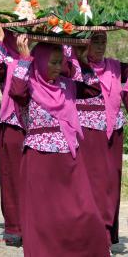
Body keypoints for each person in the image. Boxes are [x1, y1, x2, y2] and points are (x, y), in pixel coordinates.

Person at [8, 38, 108, 256]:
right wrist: (24, 58)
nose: (57, 67)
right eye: (52, 62)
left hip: (69, 158)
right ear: (40, 62)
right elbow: (15, 91)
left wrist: (83, 60)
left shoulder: (66, 85)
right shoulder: (29, 86)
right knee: (44, 215)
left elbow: (93, 89)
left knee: (83, 210)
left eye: (60, 62)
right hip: (40, 160)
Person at [75, 31, 128, 245]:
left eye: (103, 41)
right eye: (94, 41)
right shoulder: (74, 67)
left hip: (114, 132)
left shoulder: (116, 67)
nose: (99, 46)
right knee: (92, 182)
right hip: (87, 134)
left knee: (111, 182)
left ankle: (106, 233)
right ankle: (91, 235)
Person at [0, 22, 25, 246]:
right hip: (12, 123)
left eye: (24, 33)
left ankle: (36, 223)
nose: (21, 38)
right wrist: (0, 39)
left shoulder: (41, 57)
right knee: (11, 177)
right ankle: (14, 227)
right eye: (15, 33)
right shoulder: (6, 61)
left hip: (40, 127)